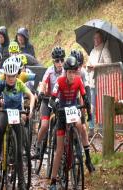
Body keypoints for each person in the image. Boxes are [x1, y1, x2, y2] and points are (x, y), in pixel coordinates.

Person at [48, 57, 94, 190]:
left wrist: (89, 111)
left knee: (80, 125)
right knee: (59, 150)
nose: (72, 75)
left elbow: (85, 98)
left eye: (74, 72)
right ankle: (53, 180)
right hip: (62, 113)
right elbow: (52, 98)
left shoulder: (79, 81)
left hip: (74, 110)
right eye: (70, 73)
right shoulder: (60, 81)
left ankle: (77, 145)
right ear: (66, 72)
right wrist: (55, 105)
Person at [0, 56, 35, 189]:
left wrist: (31, 109)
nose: (10, 78)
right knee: (2, 127)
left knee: (19, 153)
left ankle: (21, 181)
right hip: (5, 111)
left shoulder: (20, 84)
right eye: (8, 76)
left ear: (17, 74)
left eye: (13, 76)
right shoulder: (2, 83)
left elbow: (31, 96)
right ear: (5, 75)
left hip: (17, 112)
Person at [34, 46, 65, 158]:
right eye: (57, 60)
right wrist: (41, 92)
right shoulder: (50, 70)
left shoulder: (66, 71)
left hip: (60, 101)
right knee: (45, 125)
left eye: (62, 60)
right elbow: (43, 83)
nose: (60, 63)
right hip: (47, 100)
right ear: (53, 61)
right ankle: (37, 145)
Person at [86, 30, 112, 136]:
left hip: (102, 83)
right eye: (94, 38)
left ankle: (102, 128)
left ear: (101, 39)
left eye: (97, 38)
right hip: (92, 82)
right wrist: (88, 68)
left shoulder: (105, 50)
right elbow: (89, 64)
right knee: (91, 106)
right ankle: (91, 128)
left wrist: (96, 66)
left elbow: (110, 65)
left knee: (101, 106)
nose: (95, 40)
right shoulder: (92, 51)